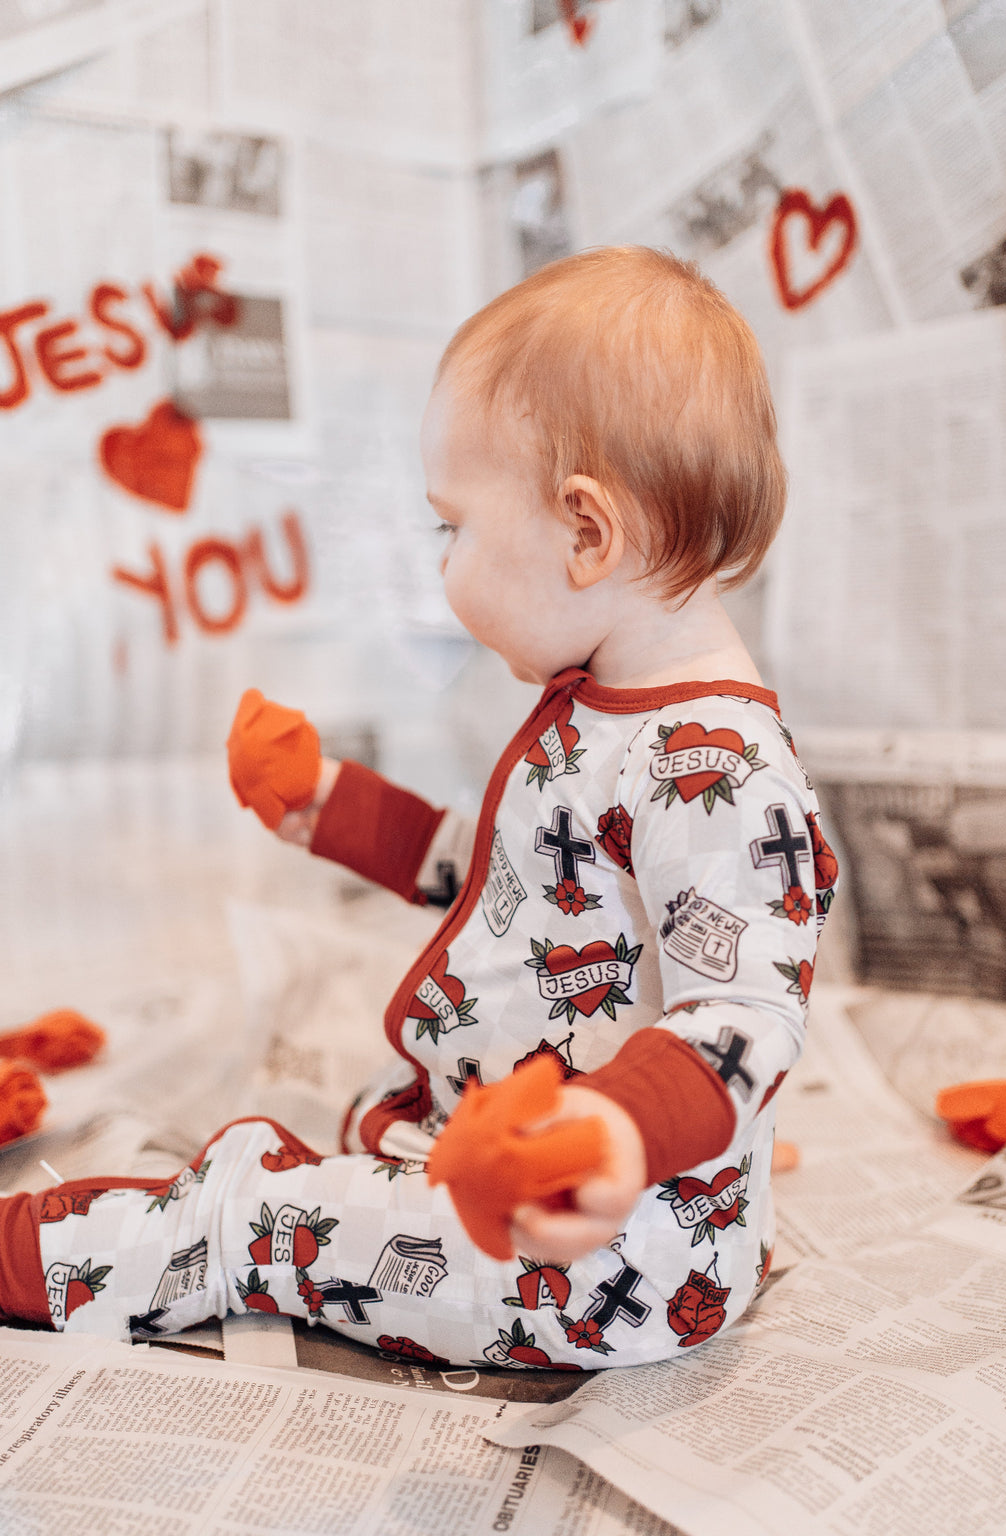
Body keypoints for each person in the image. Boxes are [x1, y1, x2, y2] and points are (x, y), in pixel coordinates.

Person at [0, 247, 836, 1369]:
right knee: (362, 1122)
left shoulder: (719, 764)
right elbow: (497, 873)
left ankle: (31, 1255)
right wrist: (329, 804)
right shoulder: (605, 710)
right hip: (525, 1157)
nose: (442, 565)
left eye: (454, 528)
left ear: (586, 535)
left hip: (600, 1260)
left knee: (251, 1207)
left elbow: (745, 1016)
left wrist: (618, 1131)